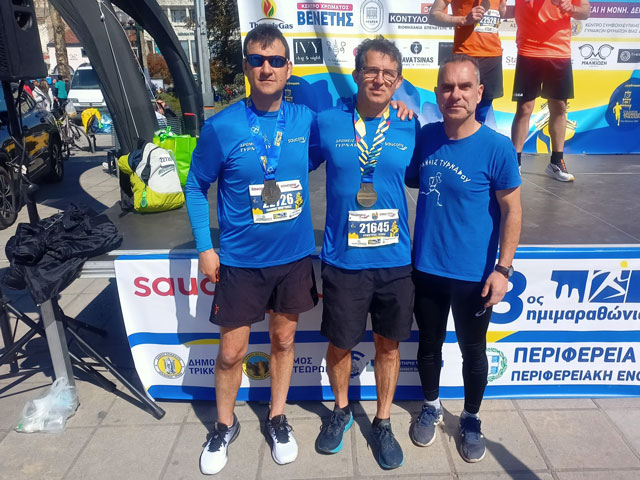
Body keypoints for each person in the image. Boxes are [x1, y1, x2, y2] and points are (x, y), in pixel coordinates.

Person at [185, 25, 317, 475]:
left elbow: (352, 123)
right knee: (230, 353)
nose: (267, 68)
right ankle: (224, 425)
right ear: (245, 66)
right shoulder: (222, 126)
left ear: (288, 68)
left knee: (284, 341)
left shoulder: (305, 120)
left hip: (293, 258)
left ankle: (277, 418)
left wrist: (397, 106)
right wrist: (206, 247)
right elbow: (195, 186)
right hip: (240, 262)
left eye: (276, 60)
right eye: (257, 60)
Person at [406, 55, 521, 463]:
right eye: (447, 87)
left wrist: (503, 269)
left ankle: (471, 418)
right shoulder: (426, 137)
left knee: (473, 352)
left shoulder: (497, 147)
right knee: (429, 346)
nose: (455, 94)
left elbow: (513, 211)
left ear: (479, 92)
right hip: (426, 269)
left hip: (474, 275)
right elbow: (408, 174)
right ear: (437, 94)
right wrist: (398, 112)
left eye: (464, 86)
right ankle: (431, 406)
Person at [310, 36, 419, 470]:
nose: (379, 79)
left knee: (388, 348)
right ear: (357, 75)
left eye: (388, 74)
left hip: (395, 262)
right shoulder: (327, 122)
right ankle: (341, 411)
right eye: (371, 70)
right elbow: (292, 164)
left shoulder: (410, 125)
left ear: (398, 81)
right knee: (340, 344)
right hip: (344, 261)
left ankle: (383, 420)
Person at [510, 0, 590, 180]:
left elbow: (585, 12)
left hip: (559, 52)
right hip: (528, 50)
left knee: (559, 107)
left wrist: (572, 8)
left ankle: (556, 162)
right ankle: (515, 163)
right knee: (524, 108)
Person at [429, 0, 507, 123]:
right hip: (465, 55)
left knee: (482, 113)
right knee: (458, 112)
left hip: (493, 55)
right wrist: (464, 20)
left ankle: (476, 135)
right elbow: (434, 16)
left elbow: (501, 12)